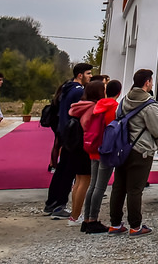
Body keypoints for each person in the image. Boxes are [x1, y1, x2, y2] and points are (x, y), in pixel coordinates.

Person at [108, 68, 158, 236]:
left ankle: (115, 224)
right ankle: (135, 225)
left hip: (123, 147)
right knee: (135, 189)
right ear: (147, 82)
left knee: (119, 186)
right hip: (141, 149)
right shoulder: (149, 104)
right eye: (151, 80)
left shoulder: (125, 99)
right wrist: (156, 146)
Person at [44, 63, 94, 218]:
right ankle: (59, 205)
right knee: (69, 172)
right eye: (88, 73)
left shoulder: (67, 88)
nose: (90, 76)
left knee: (61, 170)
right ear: (80, 75)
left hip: (65, 132)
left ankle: (51, 202)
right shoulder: (78, 91)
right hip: (74, 135)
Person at [82, 78, 122, 233]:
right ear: (119, 92)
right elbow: (114, 130)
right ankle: (93, 219)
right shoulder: (114, 108)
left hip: (94, 146)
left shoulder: (98, 105)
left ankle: (86, 219)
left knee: (92, 185)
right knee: (100, 186)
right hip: (106, 149)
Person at [65, 80, 104, 226]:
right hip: (86, 147)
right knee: (85, 182)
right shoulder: (93, 108)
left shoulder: (79, 106)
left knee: (78, 181)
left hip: (75, 146)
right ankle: (76, 216)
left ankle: (74, 214)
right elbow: (91, 127)